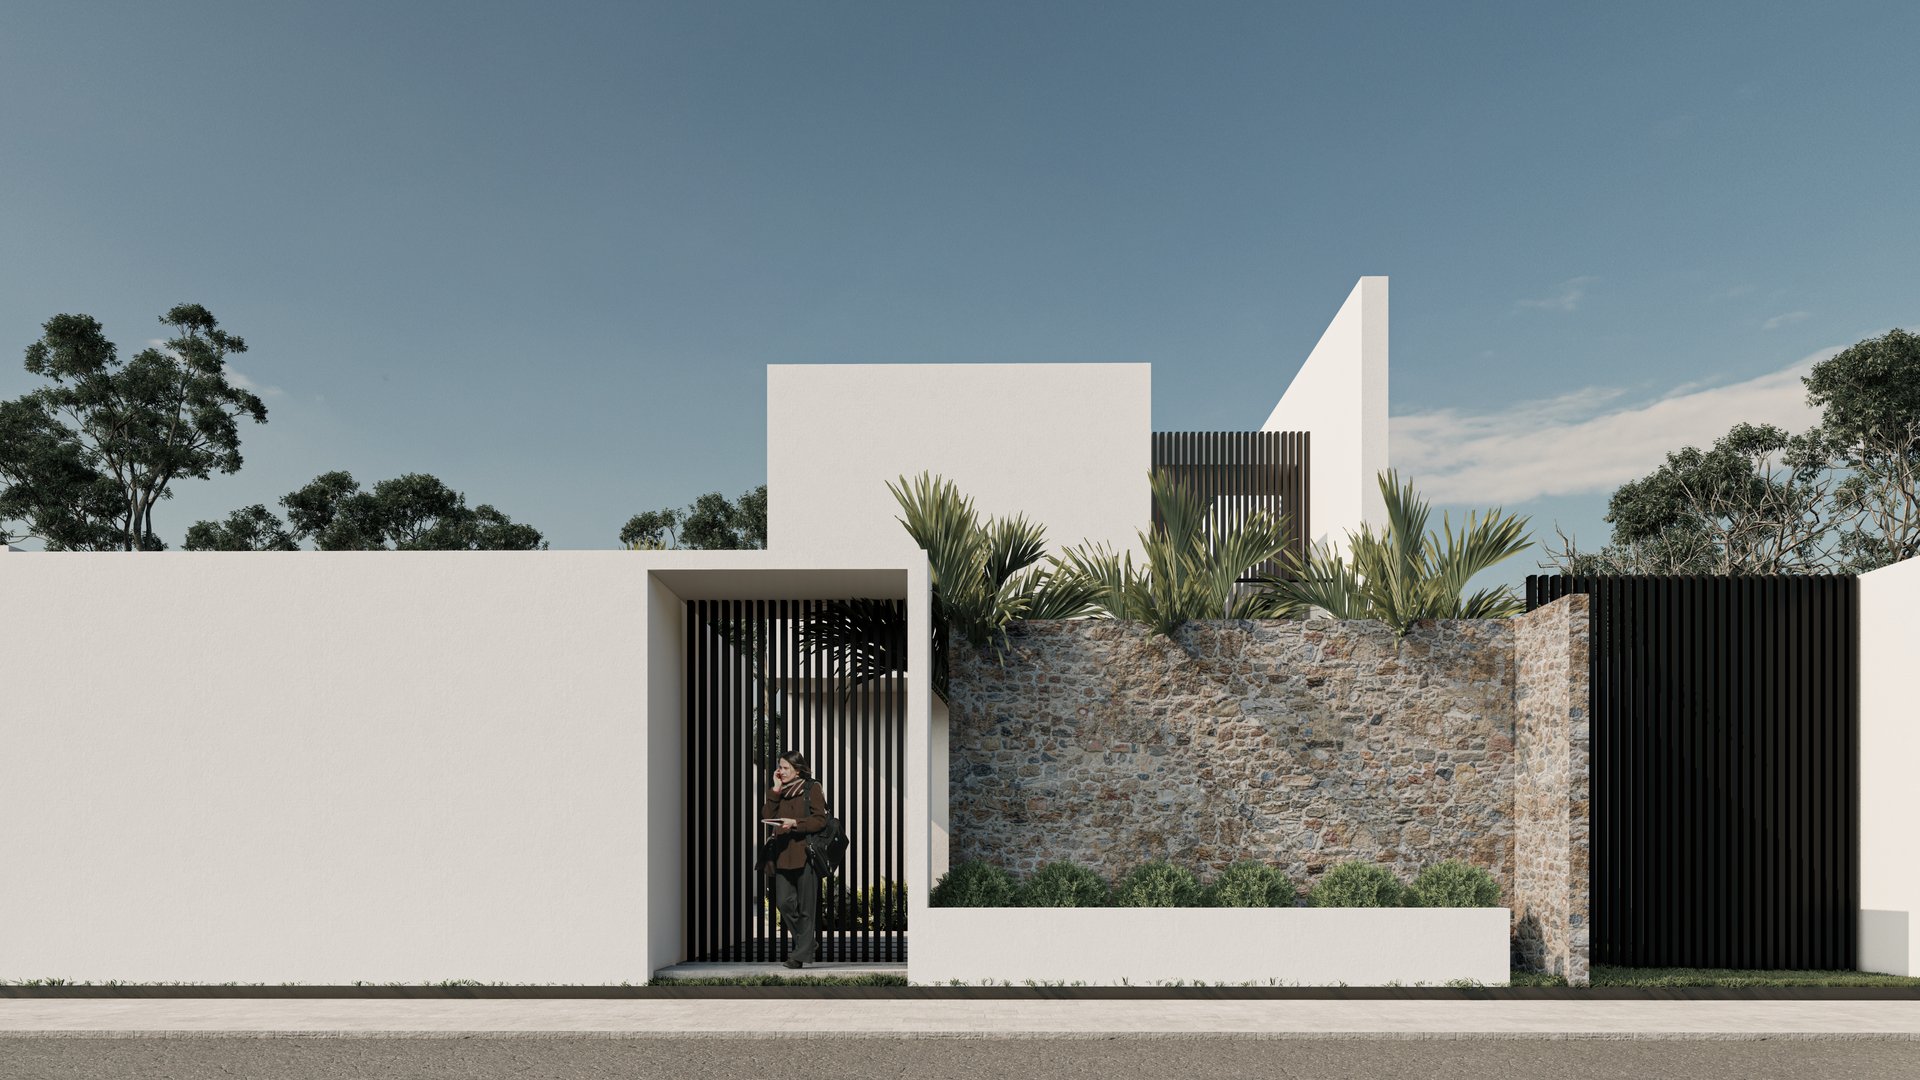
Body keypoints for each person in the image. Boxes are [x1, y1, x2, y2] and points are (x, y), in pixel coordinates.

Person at [760, 750, 828, 968]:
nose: (780, 771)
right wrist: (775, 789)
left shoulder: (812, 788)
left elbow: (820, 820)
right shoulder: (779, 791)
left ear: (797, 770)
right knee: (784, 903)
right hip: (782, 855)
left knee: (807, 908)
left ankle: (798, 957)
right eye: (779, 767)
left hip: (806, 854)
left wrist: (796, 823)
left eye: (785, 768)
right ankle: (808, 943)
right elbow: (766, 815)